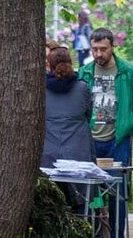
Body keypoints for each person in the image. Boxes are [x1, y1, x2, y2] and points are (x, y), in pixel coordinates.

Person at [78, 29, 133, 238]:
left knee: (117, 190)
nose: (98, 53)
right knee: (94, 190)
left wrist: (130, 126)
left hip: (118, 140)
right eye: (95, 49)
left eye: (103, 49)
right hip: (91, 140)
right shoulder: (85, 72)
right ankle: (97, 235)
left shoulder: (128, 71)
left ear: (112, 47)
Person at [41, 46, 95, 217]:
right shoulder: (82, 88)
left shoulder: (41, 89)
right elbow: (89, 114)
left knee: (50, 202)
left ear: (49, 65)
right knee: (81, 201)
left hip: (48, 153)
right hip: (77, 151)